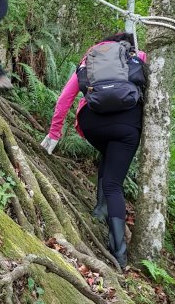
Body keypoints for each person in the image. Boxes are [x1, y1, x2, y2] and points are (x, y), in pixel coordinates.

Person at [40, 32, 147, 269]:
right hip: (128, 126)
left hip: (93, 123)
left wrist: (54, 133)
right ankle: (119, 254)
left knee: (107, 154)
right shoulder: (136, 56)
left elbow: (65, 98)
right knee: (114, 183)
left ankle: (100, 210)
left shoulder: (92, 57)